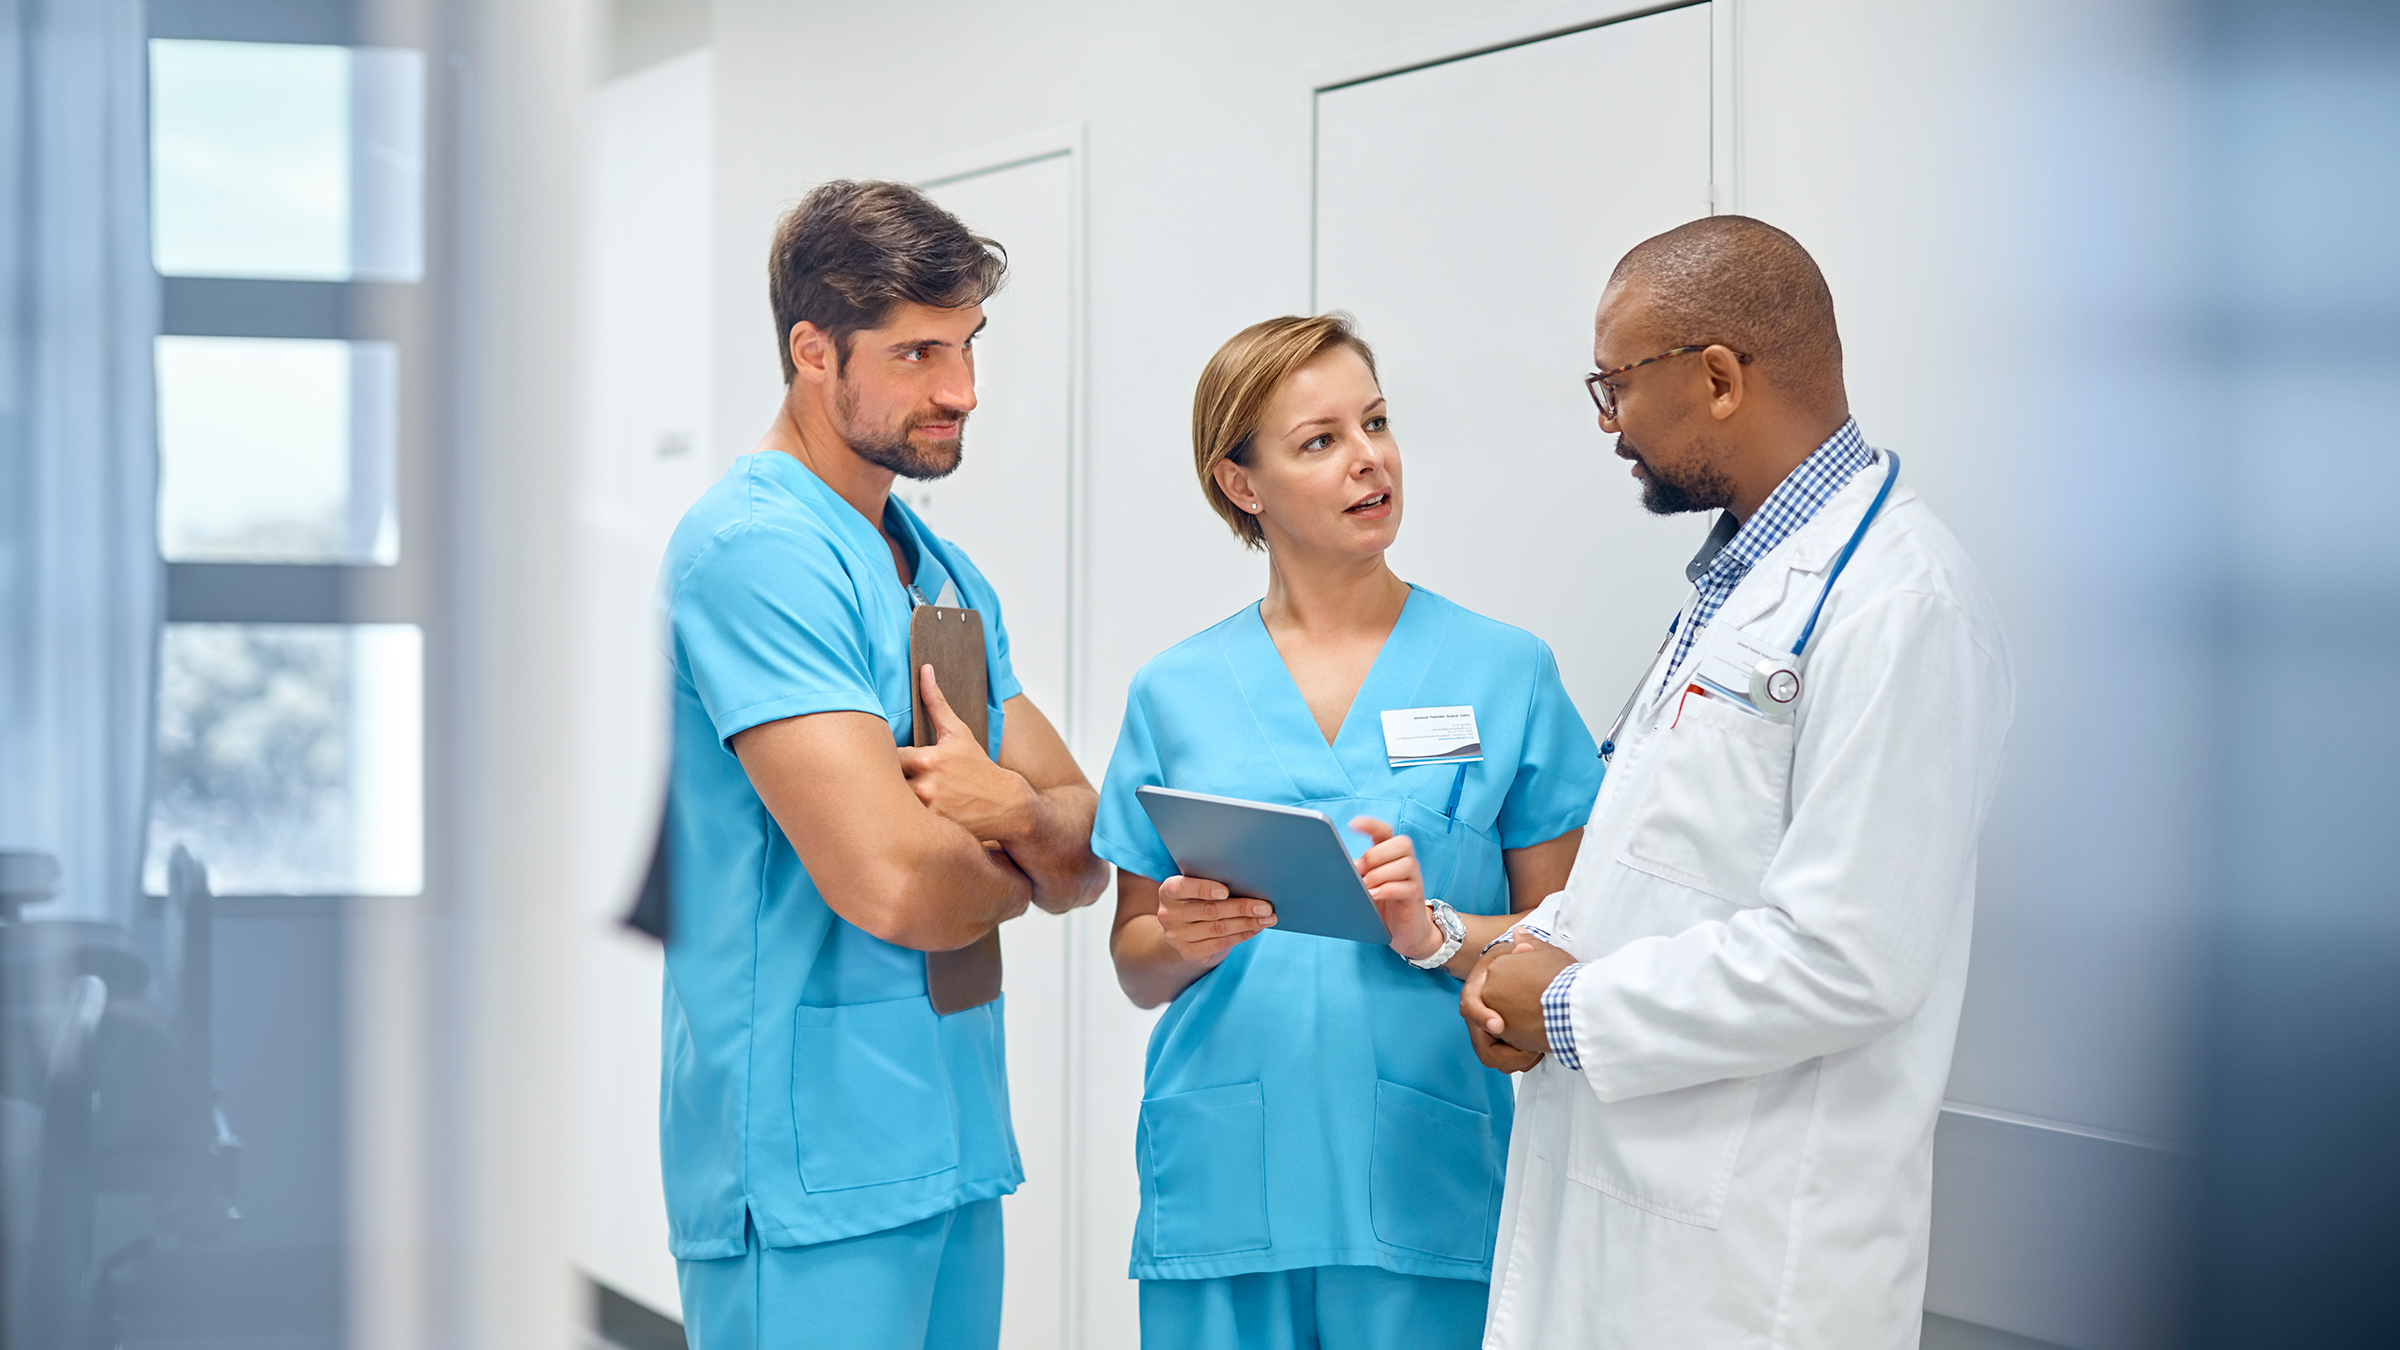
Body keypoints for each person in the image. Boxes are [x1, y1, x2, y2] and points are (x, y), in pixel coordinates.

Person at [1460, 216, 2016, 1349]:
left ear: (1717, 377)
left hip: (1754, 1274)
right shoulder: (1742, 583)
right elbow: (1664, 861)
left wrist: (1564, 1009)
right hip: (1631, 1227)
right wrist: (1532, 946)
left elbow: (1850, 957)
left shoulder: (1903, 604)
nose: (1609, 425)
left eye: (1615, 386)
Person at [657, 180, 1109, 1350]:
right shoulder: (755, 554)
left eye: (965, 348)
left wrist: (1002, 809)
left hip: (950, 1141)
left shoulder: (939, 569)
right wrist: (1025, 843)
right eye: (916, 353)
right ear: (813, 351)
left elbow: (1087, 845)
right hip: (811, 1165)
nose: (958, 390)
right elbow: (897, 882)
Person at [1095, 314, 1605, 1350]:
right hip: (1228, 1175)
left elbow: (1572, 945)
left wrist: (1437, 925)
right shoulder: (1176, 692)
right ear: (1244, 485)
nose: (1370, 457)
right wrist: (1178, 938)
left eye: (1375, 422)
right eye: (1320, 439)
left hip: (1427, 1174)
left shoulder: (1504, 673)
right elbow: (1135, 962)